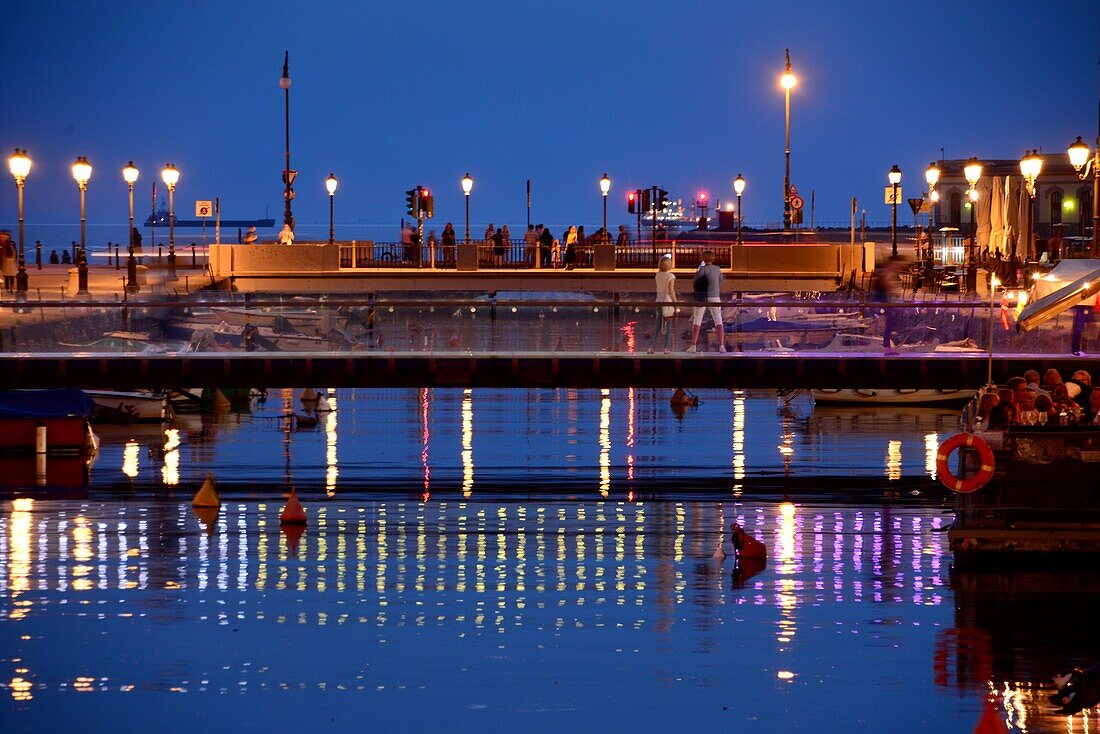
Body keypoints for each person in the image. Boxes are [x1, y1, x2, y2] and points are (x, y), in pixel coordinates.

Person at [686, 249, 725, 353]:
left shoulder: (701, 269)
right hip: (715, 296)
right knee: (718, 320)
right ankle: (721, 346)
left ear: (703, 258)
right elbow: (721, 280)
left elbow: (695, 281)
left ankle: (693, 345)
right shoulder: (717, 269)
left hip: (701, 297)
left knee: (697, 320)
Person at [648, 254, 677, 354]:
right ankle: (666, 348)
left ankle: (651, 347)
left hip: (658, 301)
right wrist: (675, 301)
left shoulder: (658, 275)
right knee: (668, 326)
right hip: (667, 302)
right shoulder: (671, 276)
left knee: (658, 325)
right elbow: (671, 290)